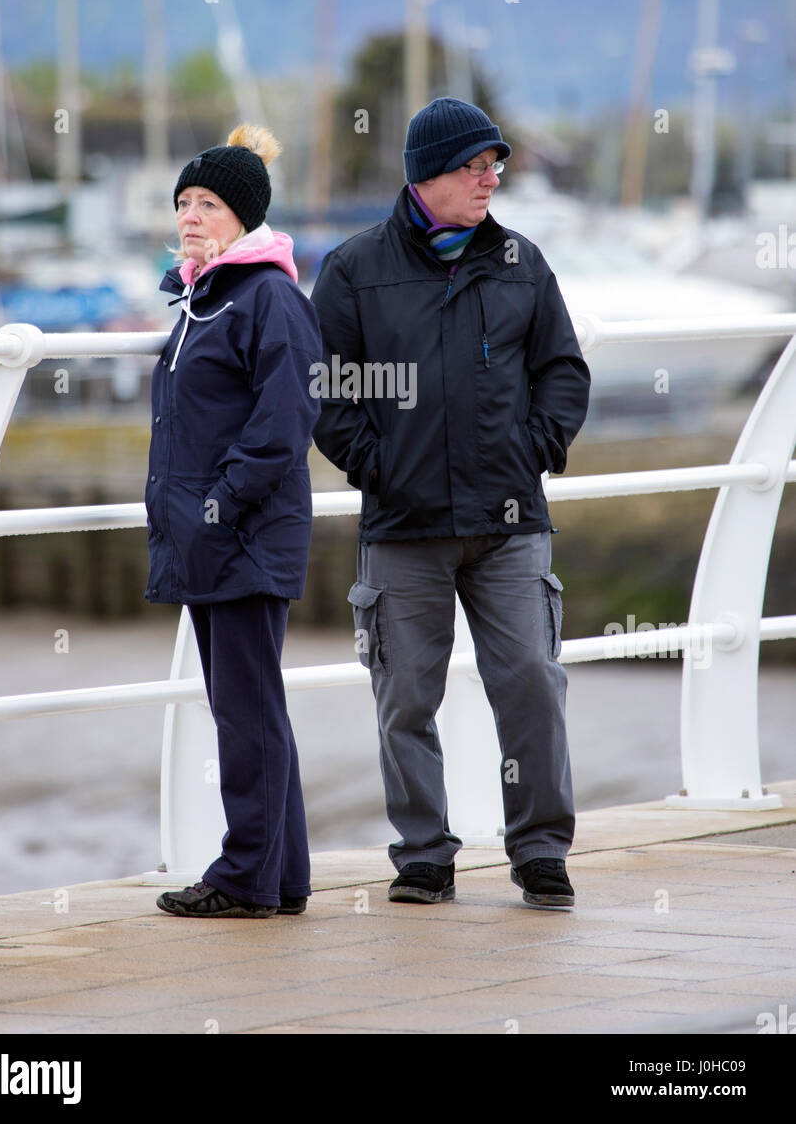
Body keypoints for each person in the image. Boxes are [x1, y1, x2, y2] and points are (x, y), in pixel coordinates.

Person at [310, 97, 590, 910]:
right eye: (475, 165)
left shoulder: (521, 263)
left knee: (533, 680)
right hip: (403, 527)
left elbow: (563, 372)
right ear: (426, 174)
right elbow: (329, 390)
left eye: (495, 164)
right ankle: (424, 855)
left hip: (509, 525)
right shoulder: (356, 268)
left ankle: (540, 850)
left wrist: (531, 451)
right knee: (405, 699)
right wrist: (379, 467)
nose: (490, 177)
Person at [146, 125, 322, 918]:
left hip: (242, 535)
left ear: (244, 217)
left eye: (207, 203)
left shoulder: (268, 296)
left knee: (244, 711)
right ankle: (278, 879)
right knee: (251, 707)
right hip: (212, 537)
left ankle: (245, 877)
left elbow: (285, 422)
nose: (189, 216)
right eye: (183, 202)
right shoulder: (202, 298)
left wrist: (219, 505)